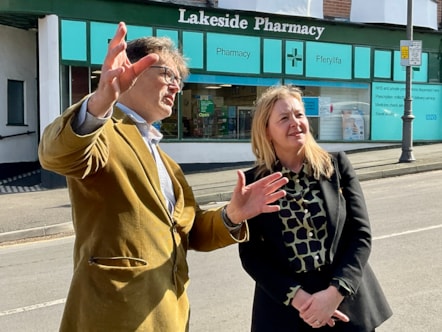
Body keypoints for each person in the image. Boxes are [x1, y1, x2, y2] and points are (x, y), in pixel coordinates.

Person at [38, 22, 288, 331]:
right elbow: (55, 154)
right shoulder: (102, 130)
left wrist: (232, 215)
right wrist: (101, 101)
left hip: (168, 313)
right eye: (168, 75)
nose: (176, 87)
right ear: (130, 69)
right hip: (114, 316)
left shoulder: (167, 163)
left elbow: (190, 232)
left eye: (180, 80)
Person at [239, 85, 392, 331]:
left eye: (299, 115)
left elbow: (360, 236)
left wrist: (334, 294)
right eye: (284, 118)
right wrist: (300, 300)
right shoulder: (253, 183)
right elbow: (252, 256)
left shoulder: (337, 166)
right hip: (286, 310)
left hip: (344, 302)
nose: (295, 123)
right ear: (266, 131)